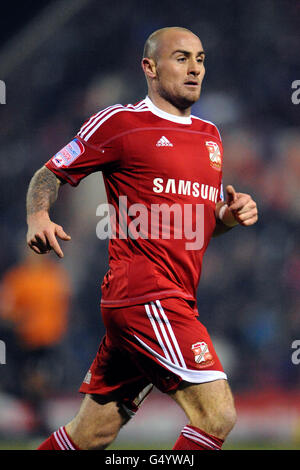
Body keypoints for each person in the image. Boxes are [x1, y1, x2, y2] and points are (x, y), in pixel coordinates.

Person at [26, 26, 258, 450]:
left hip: (169, 298)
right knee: (217, 414)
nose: (195, 69)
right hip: (146, 295)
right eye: (182, 58)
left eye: (201, 59)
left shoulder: (211, 136)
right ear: (149, 67)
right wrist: (38, 214)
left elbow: (199, 226)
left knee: (90, 434)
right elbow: (50, 172)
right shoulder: (121, 122)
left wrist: (228, 215)